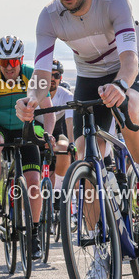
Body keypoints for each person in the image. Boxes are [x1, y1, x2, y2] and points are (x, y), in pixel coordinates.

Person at [15, 0, 139, 239]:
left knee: (130, 107)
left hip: (130, 68)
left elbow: (130, 60)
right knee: (84, 158)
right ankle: (99, 247)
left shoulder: (113, 1)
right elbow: (42, 74)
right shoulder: (48, 17)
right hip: (90, 76)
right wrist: (31, 99)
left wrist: (121, 85)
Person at [0, 35, 44, 259]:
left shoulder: (31, 74)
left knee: (34, 182)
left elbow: (47, 106)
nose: (8, 67)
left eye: (13, 62)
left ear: (21, 59)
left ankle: (34, 234)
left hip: (23, 127)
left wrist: (49, 133)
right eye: (3, 62)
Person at [47, 59, 75, 198]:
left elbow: (70, 122)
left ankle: (57, 192)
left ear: (60, 78)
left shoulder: (66, 95)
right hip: (37, 131)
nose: (52, 78)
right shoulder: (35, 92)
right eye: (49, 75)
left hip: (57, 131)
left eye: (56, 75)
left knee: (65, 147)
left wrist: (72, 143)